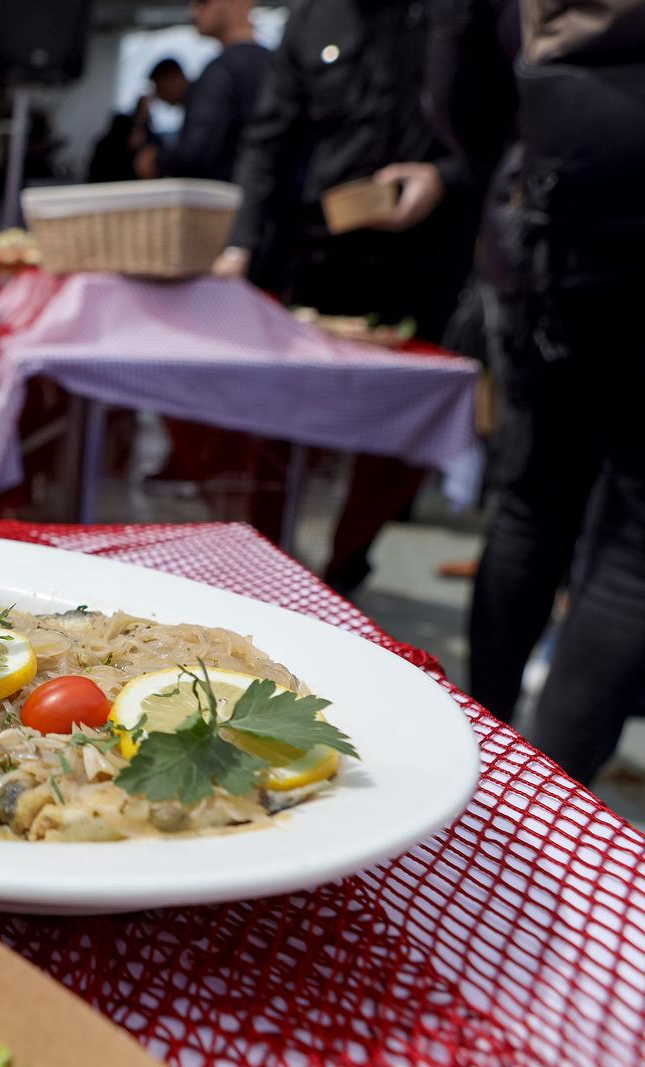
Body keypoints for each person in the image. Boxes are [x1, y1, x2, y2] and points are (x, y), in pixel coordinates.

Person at [213, 1, 480, 593]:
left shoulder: (462, 14)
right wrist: (240, 244)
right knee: (278, 422)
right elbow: (268, 138)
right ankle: (266, 570)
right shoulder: (314, 18)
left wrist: (447, 177)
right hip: (317, 260)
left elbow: (503, 128)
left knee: (403, 427)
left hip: (422, 263)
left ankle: (343, 571)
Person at [464, 4, 645, 782]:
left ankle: (479, 752)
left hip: (550, 215)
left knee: (532, 505)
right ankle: (550, 807)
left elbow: (461, 86)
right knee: (635, 545)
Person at [134, 0, 270, 181]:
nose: (193, 10)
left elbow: (193, 155)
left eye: (203, 2)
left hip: (228, 201)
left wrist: (156, 159)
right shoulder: (278, 67)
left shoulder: (221, 72)